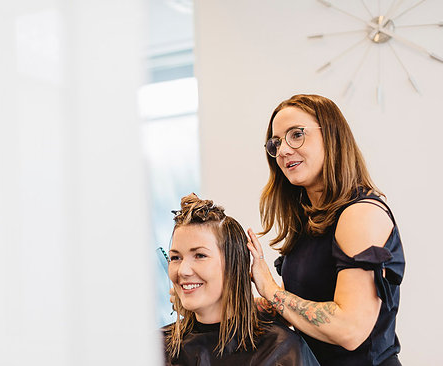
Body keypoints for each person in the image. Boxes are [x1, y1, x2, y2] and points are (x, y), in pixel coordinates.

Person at [246, 94, 405, 366]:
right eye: (276, 142)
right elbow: (295, 309)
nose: (283, 151)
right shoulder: (310, 221)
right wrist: (219, 301)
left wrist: (271, 290)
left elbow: (350, 329)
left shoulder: (360, 214)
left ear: (331, 137)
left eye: (296, 135)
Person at [162, 193, 319, 366]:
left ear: (233, 263)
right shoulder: (158, 349)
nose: (183, 271)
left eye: (200, 255)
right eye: (175, 258)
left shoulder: (279, 351)